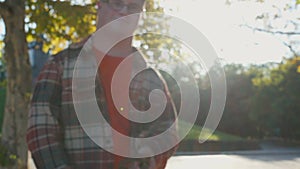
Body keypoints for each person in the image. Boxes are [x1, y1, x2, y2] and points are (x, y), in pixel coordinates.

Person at [26, 0, 179, 169]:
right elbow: (40, 131)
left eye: (133, 6)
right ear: (100, 4)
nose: (124, 11)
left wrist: (146, 154)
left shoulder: (149, 77)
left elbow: (167, 129)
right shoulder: (60, 66)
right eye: (117, 3)